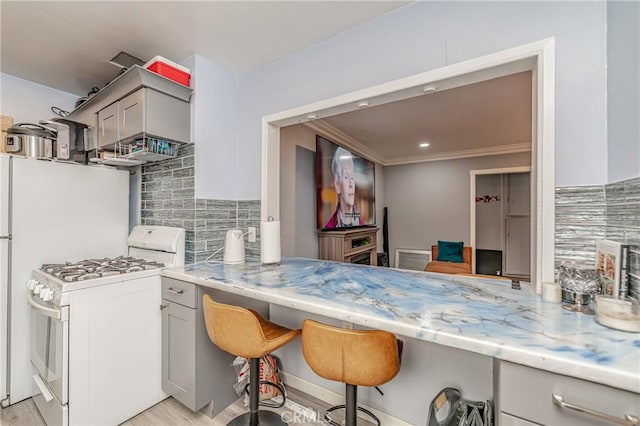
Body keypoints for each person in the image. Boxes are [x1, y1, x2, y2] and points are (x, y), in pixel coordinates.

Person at [325, 147, 364, 228]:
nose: (351, 184)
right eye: (346, 177)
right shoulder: (330, 226)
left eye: (352, 177)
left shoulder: (362, 223)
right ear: (337, 185)